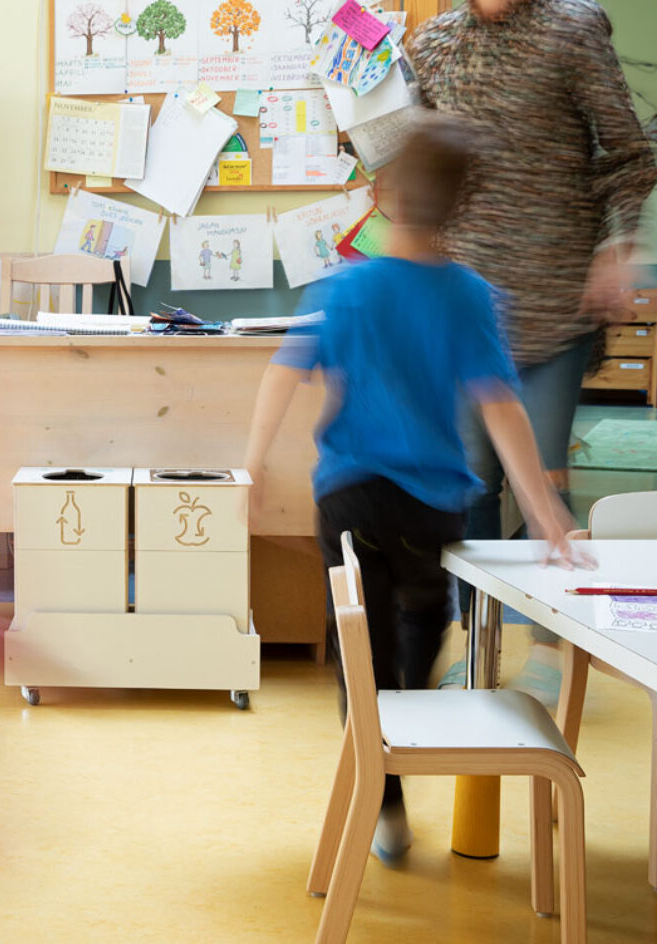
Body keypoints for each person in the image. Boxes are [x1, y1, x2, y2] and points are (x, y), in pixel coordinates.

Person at [243, 116, 584, 862]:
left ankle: (383, 800)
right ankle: (406, 734)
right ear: (461, 208)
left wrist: (251, 463)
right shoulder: (467, 294)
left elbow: (280, 372)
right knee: (423, 627)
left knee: (356, 652)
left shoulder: (348, 289)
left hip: (350, 500)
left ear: (380, 195)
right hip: (432, 508)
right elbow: (499, 404)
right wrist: (542, 506)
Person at [406, 0, 657, 610]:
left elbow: (628, 155)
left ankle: (554, 650)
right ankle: (478, 656)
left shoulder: (573, 28)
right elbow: (424, 169)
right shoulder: (431, 44)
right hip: (463, 309)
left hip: (553, 298)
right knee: (471, 485)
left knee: (545, 483)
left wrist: (619, 245)